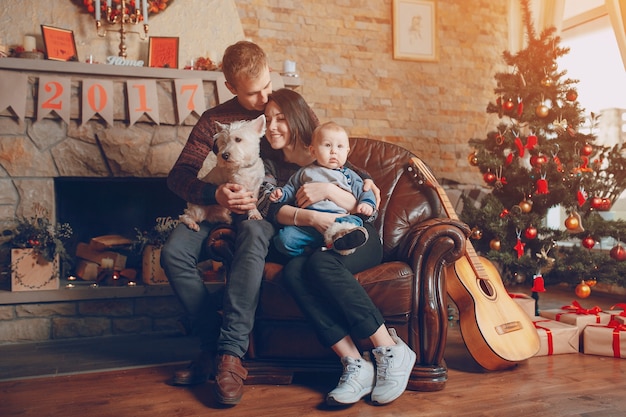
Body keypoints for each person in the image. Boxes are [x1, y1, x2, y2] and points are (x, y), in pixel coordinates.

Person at [263, 88, 417, 406]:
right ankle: (355, 363)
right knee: (293, 273)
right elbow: (271, 209)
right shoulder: (268, 161)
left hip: (356, 235)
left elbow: (366, 196)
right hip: (314, 238)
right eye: (267, 120)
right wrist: (307, 216)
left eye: (280, 119)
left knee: (321, 265)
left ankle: (389, 347)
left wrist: (328, 191)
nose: (273, 127)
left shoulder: (334, 156)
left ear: (298, 122)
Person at [160, 40, 275, 406]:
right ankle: (212, 347)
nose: (264, 98)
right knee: (173, 253)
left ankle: (229, 357)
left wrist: (360, 179)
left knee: (255, 234)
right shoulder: (214, 121)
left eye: (267, 86)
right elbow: (177, 177)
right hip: (214, 206)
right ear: (231, 88)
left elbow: (319, 153)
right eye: (253, 92)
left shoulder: (282, 110)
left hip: (262, 209)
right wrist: (215, 196)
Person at [269, 121, 376, 257]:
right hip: (307, 226)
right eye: (327, 145)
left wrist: (367, 203)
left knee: (353, 224)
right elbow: (290, 189)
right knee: (283, 240)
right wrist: (281, 194)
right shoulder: (305, 172)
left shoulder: (350, 175)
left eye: (340, 147)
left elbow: (365, 191)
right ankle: (311, 252)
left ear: (347, 152)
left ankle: (339, 243)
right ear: (313, 151)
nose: (334, 151)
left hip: (338, 221)